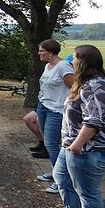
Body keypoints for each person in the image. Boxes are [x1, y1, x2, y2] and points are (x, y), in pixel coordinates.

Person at [52, 45, 105, 208]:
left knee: (87, 193)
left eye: (75, 59)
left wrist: (76, 146)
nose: (72, 62)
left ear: (84, 62)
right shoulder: (85, 83)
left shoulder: (97, 86)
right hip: (72, 145)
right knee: (61, 178)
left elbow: (94, 121)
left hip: (89, 149)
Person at [34, 39, 75, 194]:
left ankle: (61, 181)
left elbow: (75, 88)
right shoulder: (47, 66)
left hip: (56, 111)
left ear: (50, 52)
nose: (39, 53)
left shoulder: (63, 66)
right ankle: (55, 172)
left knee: (51, 144)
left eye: (41, 51)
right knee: (48, 143)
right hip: (43, 107)